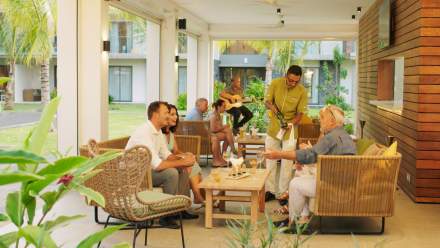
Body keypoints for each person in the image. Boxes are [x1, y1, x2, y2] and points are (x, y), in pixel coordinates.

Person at [264, 105, 356, 228]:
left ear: (332, 121)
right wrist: (305, 159)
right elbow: (317, 156)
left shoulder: (331, 138)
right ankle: (303, 217)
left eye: (322, 118)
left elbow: (310, 154)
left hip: (334, 186)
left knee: (295, 184)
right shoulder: (344, 135)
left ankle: (293, 222)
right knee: (301, 172)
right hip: (341, 181)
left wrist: (278, 154)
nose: (320, 121)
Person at [126, 101, 198, 229]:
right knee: (171, 173)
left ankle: (180, 209)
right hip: (135, 175)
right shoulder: (144, 132)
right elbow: (157, 165)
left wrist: (183, 158)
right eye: (166, 113)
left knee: (181, 169)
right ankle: (166, 215)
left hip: (147, 170)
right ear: (155, 115)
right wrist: (182, 162)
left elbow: (166, 154)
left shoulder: (157, 131)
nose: (169, 117)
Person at [264, 65, 308, 202]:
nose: (293, 83)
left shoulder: (302, 91)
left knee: (287, 162)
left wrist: (291, 124)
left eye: (296, 81)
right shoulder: (276, 83)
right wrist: (275, 111)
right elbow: (267, 102)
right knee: (270, 158)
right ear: (286, 75)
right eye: (290, 80)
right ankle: (269, 191)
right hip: (274, 126)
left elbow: (300, 114)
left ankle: (283, 193)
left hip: (290, 127)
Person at [162, 103, 205, 204]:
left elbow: (176, 151)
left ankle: (200, 196)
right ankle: (199, 195)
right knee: (191, 166)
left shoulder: (170, 133)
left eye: (175, 114)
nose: (176, 117)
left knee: (192, 162)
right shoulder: (159, 134)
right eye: (172, 114)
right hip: (166, 163)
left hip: (172, 160)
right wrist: (183, 158)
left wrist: (186, 154)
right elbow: (165, 156)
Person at [210, 99, 237, 166]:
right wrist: (224, 127)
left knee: (228, 133)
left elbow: (219, 128)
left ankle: (223, 156)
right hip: (211, 134)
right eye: (224, 106)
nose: (225, 108)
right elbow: (213, 129)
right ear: (219, 107)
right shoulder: (213, 115)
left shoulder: (218, 114)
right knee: (228, 133)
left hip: (216, 133)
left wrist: (224, 127)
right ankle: (232, 149)